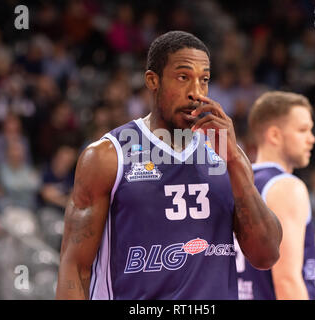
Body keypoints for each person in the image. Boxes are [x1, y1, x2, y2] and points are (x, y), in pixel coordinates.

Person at [56, 31, 282, 300]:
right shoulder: (108, 155)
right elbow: (74, 268)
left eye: (204, 80)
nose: (196, 93)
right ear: (153, 80)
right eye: (183, 77)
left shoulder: (228, 156)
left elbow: (265, 256)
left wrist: (234, 163)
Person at [235, 91, 315, 300]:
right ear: (274, 135)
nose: (312, 138)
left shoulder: (238, 182)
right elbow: (287, 282)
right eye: (302, 130)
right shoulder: (286, 187)